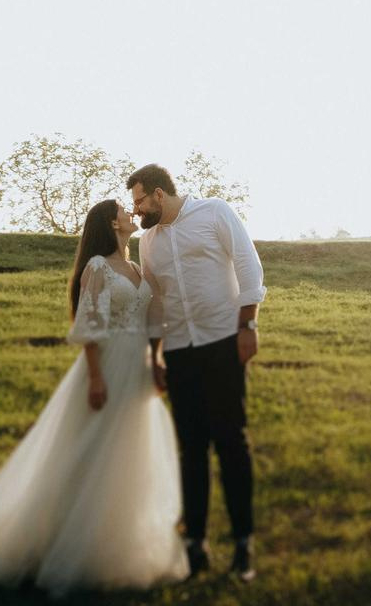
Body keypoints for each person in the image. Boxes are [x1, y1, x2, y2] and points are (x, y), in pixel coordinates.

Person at [0, 199, 188, 597]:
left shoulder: (138, 268)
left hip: (137, 368)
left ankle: (117, 543)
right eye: (123, 210)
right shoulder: (98, 267)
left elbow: (152, 320)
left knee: (128, 452)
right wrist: (96, 378)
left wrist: (156, 361)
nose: (131, 214)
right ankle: (61, 542)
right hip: (107, 365)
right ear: (111, 223)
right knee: (91, 450)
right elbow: (90, 323)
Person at [129, 163, 265, 582]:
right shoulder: (147, 242)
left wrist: (248, 325)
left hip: (223, 341)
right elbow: (155, 301)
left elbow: (249, 267)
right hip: (179, 351)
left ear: (159, 194)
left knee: (231, 441)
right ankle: (196, 545)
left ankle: (243, 543)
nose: (136, 211)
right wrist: (155, 355)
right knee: (191, 449)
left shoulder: (215, 212)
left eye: (140, 202)